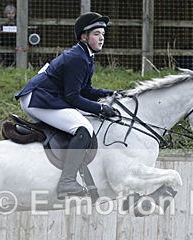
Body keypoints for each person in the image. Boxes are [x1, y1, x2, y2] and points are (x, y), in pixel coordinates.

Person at [14, 12, 119, 199]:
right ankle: (67, 182)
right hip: (38, 99)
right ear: (84, 37)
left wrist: (110, 94)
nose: (102, 37)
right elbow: (73, 97)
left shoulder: (86, 56)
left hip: (47, 97)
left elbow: (85, 89)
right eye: (96, 33)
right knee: (84, 128)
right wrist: (101, 109)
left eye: (103, 33)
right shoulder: (77, 58)